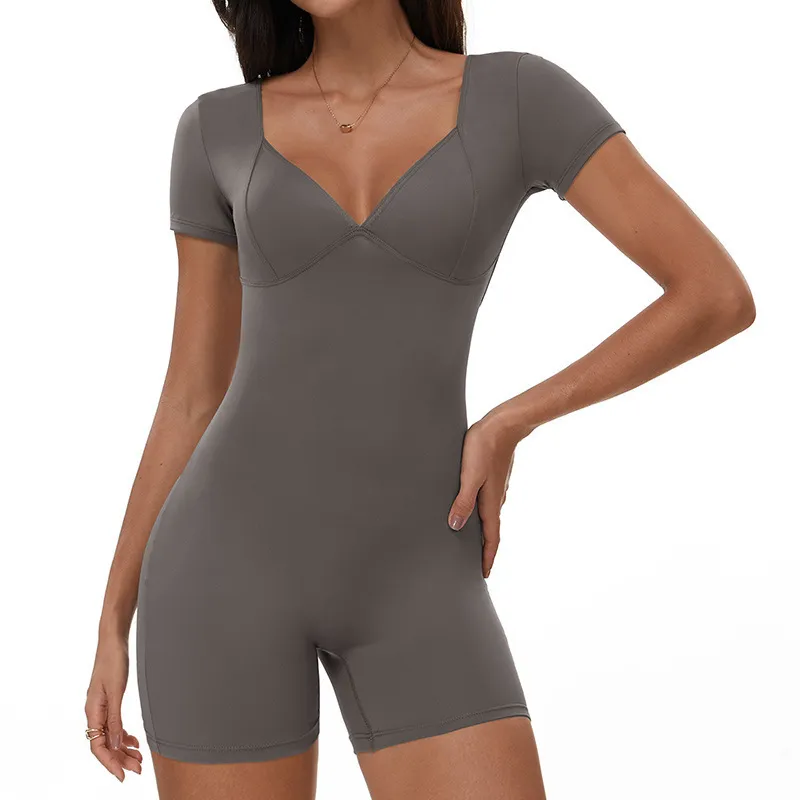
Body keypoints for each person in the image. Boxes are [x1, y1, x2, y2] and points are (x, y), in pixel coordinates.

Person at [84, 1, 756, 797]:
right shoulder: (214, 131)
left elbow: (714, 294)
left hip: (418, 573)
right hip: (220, 571)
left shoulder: (518, 98)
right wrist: (112, 618)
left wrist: (512, 420)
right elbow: (193, 395)